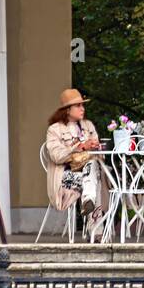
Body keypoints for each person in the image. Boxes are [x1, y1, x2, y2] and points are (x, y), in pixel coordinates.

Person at [44, 88, 108, 235]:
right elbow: (56, 156)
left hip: (88, 173)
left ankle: (88, 199)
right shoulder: (54, 129)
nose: (82, 108)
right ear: (67, 110)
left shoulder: (88, 126)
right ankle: (96, 232)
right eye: (78, 105)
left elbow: (100, 156)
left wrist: (96, 148)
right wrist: (79, 147)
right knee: (95, 180)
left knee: (93, 167)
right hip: (65, 176)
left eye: (82, 105)